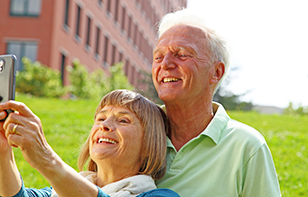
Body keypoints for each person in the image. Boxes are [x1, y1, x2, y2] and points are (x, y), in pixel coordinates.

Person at [152, 9, 281, 196]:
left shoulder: (246, 146)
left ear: (216, 72)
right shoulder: (134, 134)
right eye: (158, 56)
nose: (165, 64)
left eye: (181, 54)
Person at [0, 90, 179, 197]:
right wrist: (2, 150)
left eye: (123, 120)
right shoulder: (57, 192)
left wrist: (47, 160)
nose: (105, 125)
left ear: (150, 144)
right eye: (101, 118)